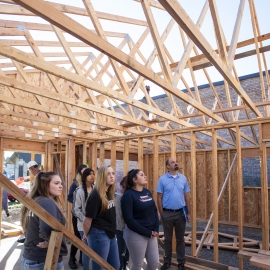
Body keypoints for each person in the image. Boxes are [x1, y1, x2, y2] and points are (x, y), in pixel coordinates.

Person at [20, 171, 67, 270]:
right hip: (44, 259)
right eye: (56, 183)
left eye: (61, 183)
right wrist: (50, 241)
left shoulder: (34, 200)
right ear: (45, 185)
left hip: (30, 257)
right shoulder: (46, 201)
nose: (61, 186)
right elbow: (46, 227)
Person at [157, 158, 191, 270]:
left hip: (181, 213)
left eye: (176, 161)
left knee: (180, 240)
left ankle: (181, 264)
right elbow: (159, 198)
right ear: (168, 166)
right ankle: (167, 262)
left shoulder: (183, 178)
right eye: (172, 162)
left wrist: (189, 213)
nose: (176, 163)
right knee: (167, 239)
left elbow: (186, 196)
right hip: (167, 213)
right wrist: (162, 214)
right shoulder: (162, 179)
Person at [83, 165, 119, 270]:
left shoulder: (109, 193)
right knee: (99, 267)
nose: (112, 176)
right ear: (102, 177)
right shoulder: (96, 195)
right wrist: (87, 235)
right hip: (99, 234)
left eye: (113, 173)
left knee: (115, 266)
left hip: (110, 233)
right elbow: (86, 222)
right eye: (108, 174)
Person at [121, 169, 159, 270]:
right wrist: (147, 232)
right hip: (135, 234)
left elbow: (154, 211)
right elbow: (129, 220)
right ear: (134, 179)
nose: (145, 176)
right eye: (142, 175)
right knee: (138, 265)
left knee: (154, 263)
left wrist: (156, 228)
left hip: (150, 233)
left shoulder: (147, 192)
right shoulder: (128, 196)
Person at [73, 168, 95, 270]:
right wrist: (86, 220)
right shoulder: (79, 191)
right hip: (83, 226)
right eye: (89, 174)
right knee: (86, 250)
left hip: (96, 225)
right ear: (84, 177)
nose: (92, 176)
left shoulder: (96, 189)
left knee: (95, 250)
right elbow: (76, 210)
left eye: (93, 174)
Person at [67, 164, 87, 269]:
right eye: (83, 171)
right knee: (77, 237)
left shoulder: (90, 184)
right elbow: (69, 197)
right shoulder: (75, 184)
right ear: (79, 173)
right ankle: (72, 258)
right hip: (77, 215)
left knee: (85, 236)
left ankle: (82, 258)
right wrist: (79, 202)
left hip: (87, 215)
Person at [17, 161, 41, 244]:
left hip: (37, 203)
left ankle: (29, 238)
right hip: (35, 202)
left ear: (31, 169)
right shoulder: (39, 176)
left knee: (29, 221)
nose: (30, 172)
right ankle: (27, 237)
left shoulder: (39, 177)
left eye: (30, 170)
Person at [115, 176, 129, 270]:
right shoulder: (119, 197)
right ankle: (121, 267)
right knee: (121, 251)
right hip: (121, 228)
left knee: (127, 251)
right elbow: (119, 217)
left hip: (129, 229)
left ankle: (125, 265)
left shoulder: (129, 196)